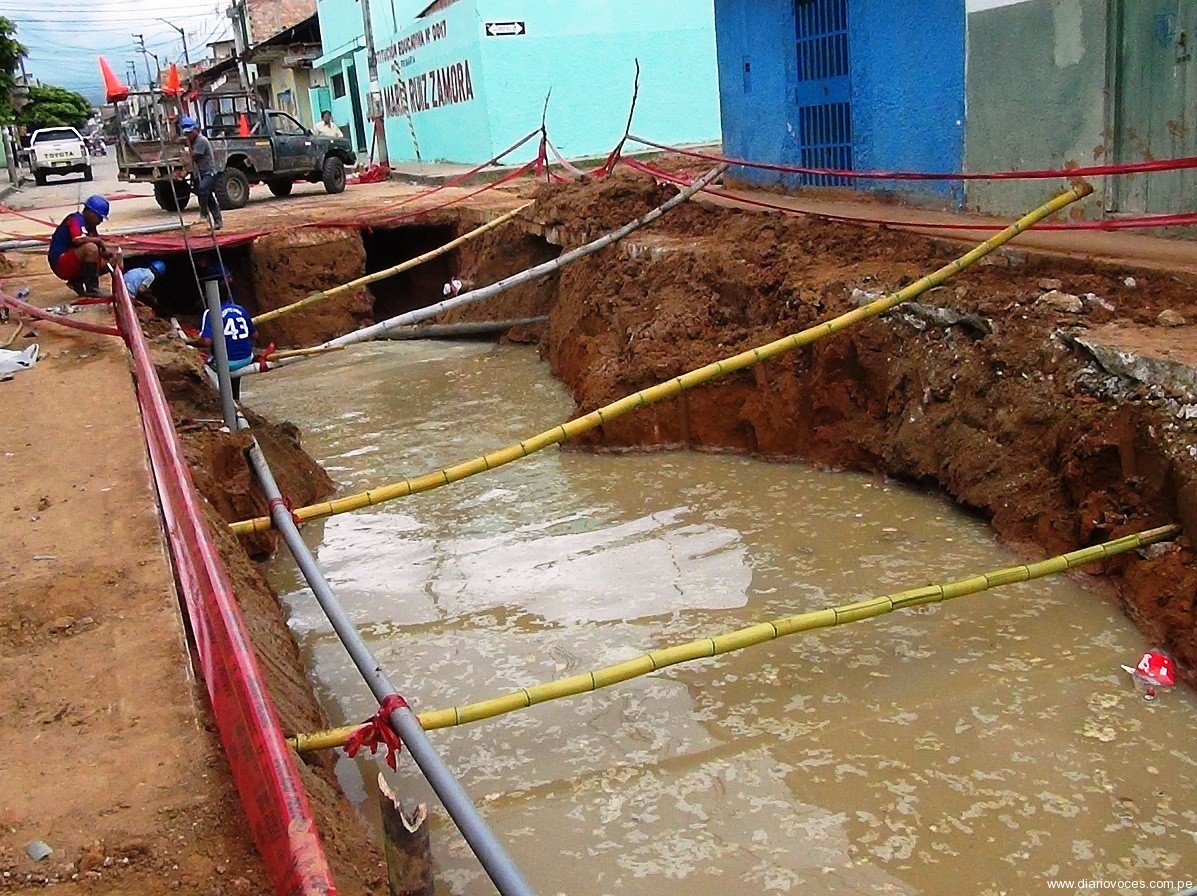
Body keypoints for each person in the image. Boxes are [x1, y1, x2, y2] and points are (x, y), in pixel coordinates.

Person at [47, 195, 114, 298]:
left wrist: (109, 255)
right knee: (90, 248)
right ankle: (92, 289)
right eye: (99, 217)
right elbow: (77, 239)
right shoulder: (76, 219)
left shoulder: (91, 227)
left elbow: (99, 251)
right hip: (60, 261)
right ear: (91, 213)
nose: (100, 221)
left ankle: (77, 281)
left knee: (109, 262)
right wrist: (98, 241)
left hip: (72, 260)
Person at [197, 287, 256, 400]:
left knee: (205, 363)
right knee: (232, 356)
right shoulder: (241, 309)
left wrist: (189, 342)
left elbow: (206, 342)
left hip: (227, 363)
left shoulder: (211, 313)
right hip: (247, 358)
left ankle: (224, 400)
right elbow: (254, 335)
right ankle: (235, 398)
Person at [180, 116, 223, 230]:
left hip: (208, 172)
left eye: (190, 132)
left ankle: (203, 214)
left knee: (203, 189)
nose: (188, 135)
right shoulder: (193, 142)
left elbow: (194, 156)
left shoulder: (201, 141)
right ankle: (218, 221)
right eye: (187, 134)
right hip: (199, 172)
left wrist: (188, 147)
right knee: (208, 197)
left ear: (196, 130)